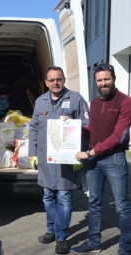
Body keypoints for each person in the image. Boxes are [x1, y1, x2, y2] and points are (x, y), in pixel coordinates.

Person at [71, 63, 131, 255]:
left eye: (107, 79)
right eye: (100, 80)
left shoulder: (126, 102)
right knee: (94, 202)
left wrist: (89, 153)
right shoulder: (95, 103)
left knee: (122, 206)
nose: (103, 83)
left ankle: (126, 248)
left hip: (113, 159)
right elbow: (93, 130)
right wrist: (72, 126)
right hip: (94, 161)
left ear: (113, 78)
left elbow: (117, 137)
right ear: (95, 81)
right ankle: (94, 243)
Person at [28, 66, 89, 254]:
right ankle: (51, 230)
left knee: (64, 197)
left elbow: (87, 127)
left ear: (64, 80)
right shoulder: (40, 102)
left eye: (59, 79)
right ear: (46, 82)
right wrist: (33, 153)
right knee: (48, 196)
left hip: (66, 160)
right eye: (52, 80)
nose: (55, 83)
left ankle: (61, 236)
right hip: (47, 159)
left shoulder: (76, 99)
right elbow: (34, 128)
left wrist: (81, 153)